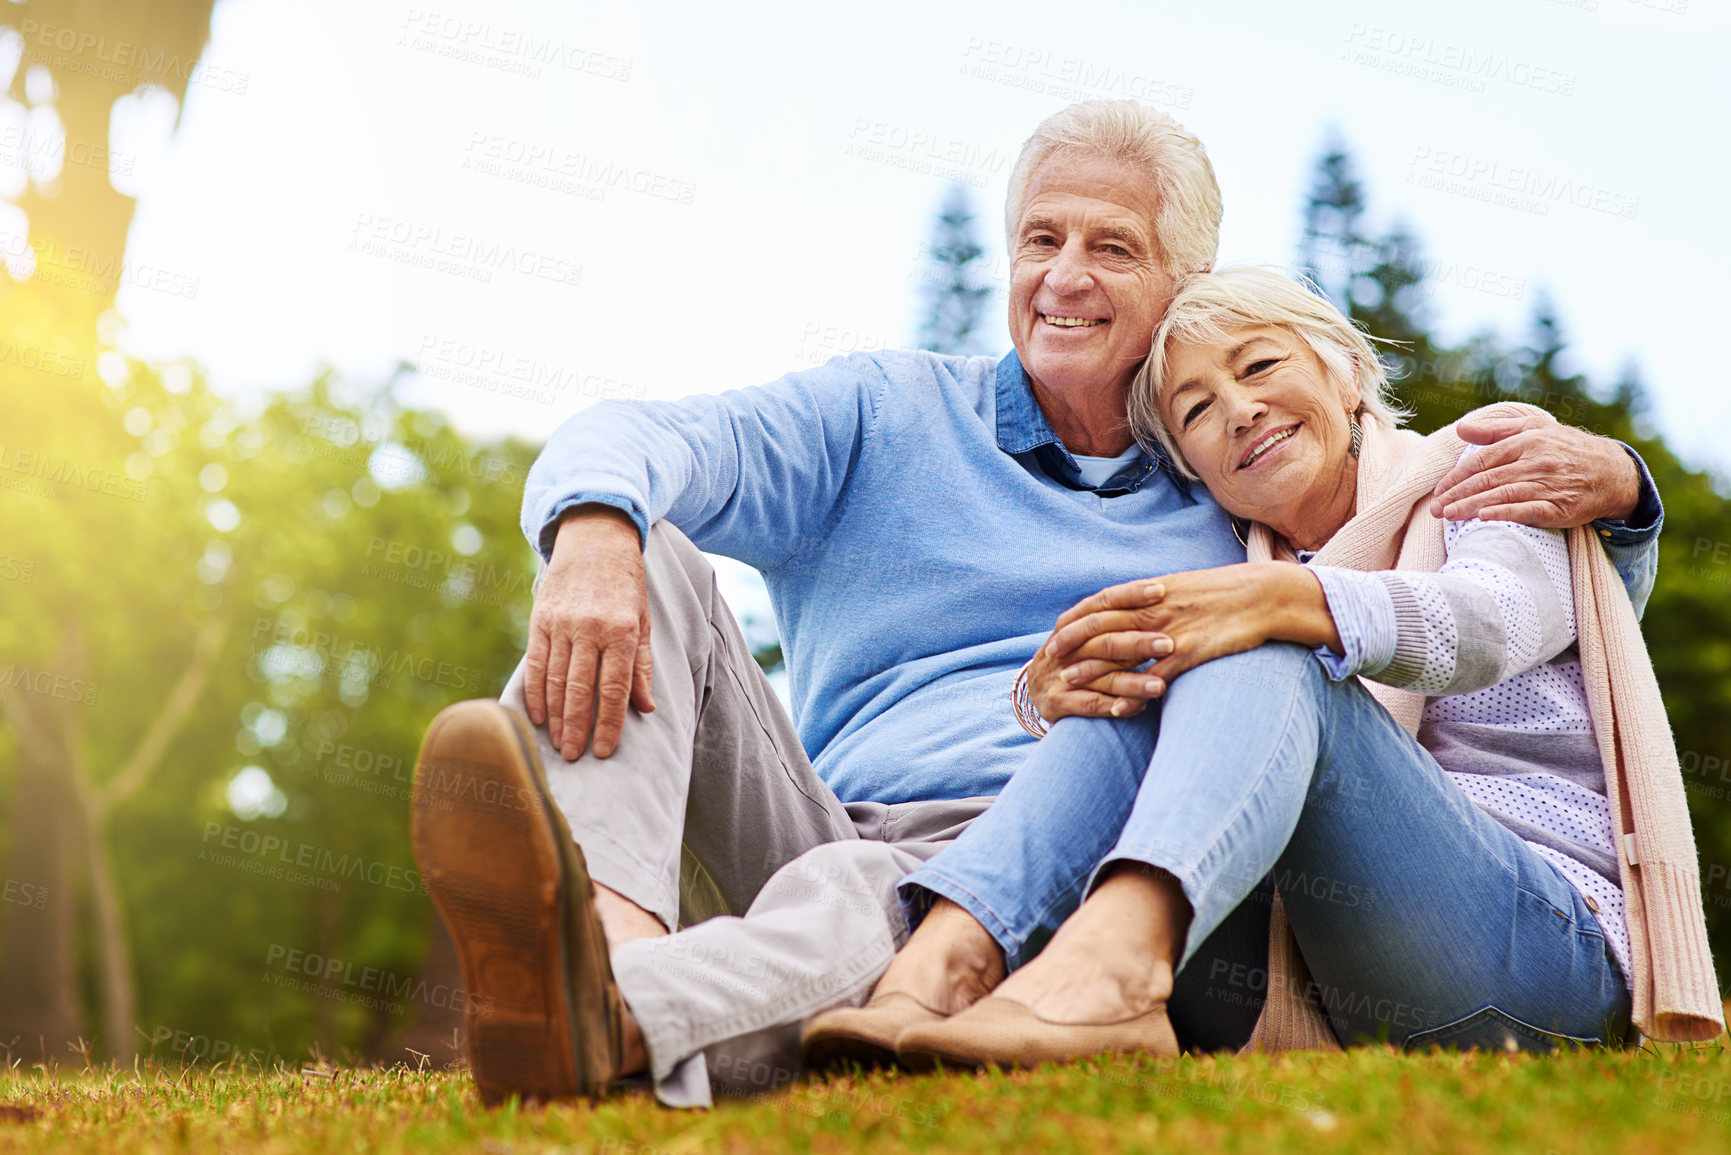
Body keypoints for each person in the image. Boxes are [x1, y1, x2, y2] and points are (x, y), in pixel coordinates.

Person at [407, 103, 1665, 1108]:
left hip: (1065, 855)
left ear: (1189, 279)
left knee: (906, 877)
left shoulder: (1236, 488)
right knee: (651, 550)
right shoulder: (887, 415)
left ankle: (627, 1018)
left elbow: (1493, 601)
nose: (1065, 277)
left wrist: (1623, 495)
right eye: (1040, 240)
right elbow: (640, 433)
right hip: (822, 820)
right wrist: (589, 530)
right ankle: (613, 940)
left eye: (1113, 246)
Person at [806, 267, 1721, 1068]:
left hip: (1535, 961)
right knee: (1159, 667)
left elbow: (1487, 621)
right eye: (1196, 410)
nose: (1238, 409)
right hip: (1326, 972)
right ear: (1192, 467)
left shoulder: (1478, 469)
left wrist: (1277, 606)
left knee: (1251, 642)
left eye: (1259, 366)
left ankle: (1109, 978)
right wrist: (1043, 699)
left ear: (1345, 368)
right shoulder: (1244, 569)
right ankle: (944, 962)